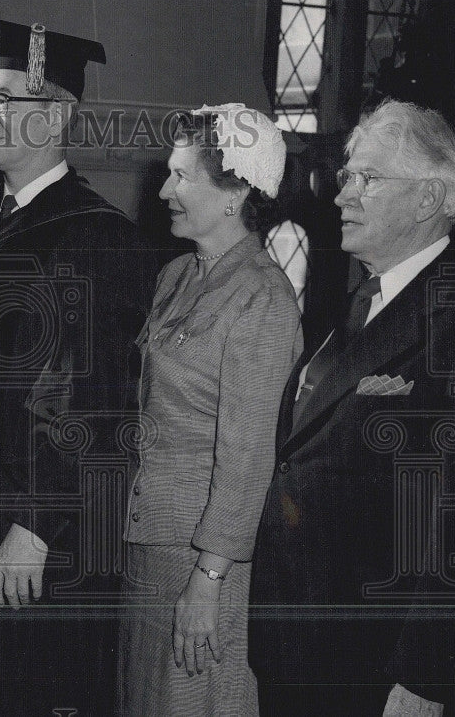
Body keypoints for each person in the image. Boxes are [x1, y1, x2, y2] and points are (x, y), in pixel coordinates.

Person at [0, 20, 151, 715]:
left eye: (1, 100)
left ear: (54, 115)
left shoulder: (98, 235)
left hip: (30, 521)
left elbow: (89, 391)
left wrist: (37, 521)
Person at [250, 100, 455, 716]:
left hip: (377, 664)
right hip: (301, 642)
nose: (342, 197)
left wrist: (426, 677)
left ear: (428, 198)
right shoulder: (364, 299)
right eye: (346, 178)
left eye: (368, 179)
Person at [119, 104, 301, 716]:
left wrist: (209, 580)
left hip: (206, 561)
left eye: (181, 176)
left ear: (236, 194)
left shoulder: (264, 296)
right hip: (150, 546)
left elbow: (248, 455)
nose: (165, 190)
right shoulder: (176, 274)